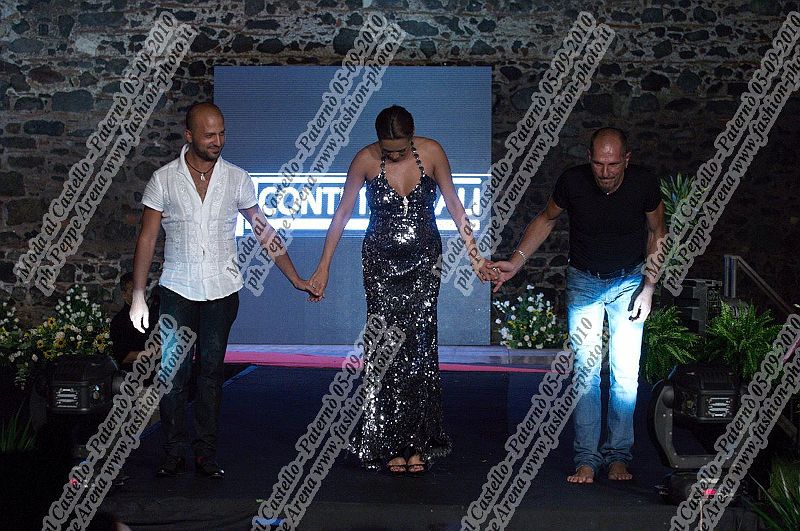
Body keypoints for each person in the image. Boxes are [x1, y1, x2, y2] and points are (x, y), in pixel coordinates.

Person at [130, 102, 319, 479]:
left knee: (211, 374)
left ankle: (205, 453)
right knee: (173, 374)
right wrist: (138, 293)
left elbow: (263, 231)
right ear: (189, 135)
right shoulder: (163, 179)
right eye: (209, 135)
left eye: (221, 134)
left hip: (221, 290)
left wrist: (295, 278)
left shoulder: (237, 178)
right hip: (177, 288)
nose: (217, 141)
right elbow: (147, 237)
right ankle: (173, 450)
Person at [308, 105, 487, 474]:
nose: (394, 156)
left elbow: (455, 205)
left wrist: (475, 257)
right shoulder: (364, 160)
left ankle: (419, 443)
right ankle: (387, 440)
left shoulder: (432, 153)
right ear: (378, 141)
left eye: (401, 150)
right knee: (384, 347)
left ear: (412, 137)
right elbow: (341, 213)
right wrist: (323, 266)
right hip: (380, 263)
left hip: (424, 262)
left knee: (420, 346)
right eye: (387, 151)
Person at [487, 127, 665, 484]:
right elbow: (546, 218)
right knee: (586, 373)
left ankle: (618, 457)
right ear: (589, 158)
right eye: (598, 164)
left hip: (629, 282)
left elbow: (657, 232)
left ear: (626, 160)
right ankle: (587, 459)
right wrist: (516, 262)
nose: (605, 173)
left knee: (625, 375)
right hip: (584, 281)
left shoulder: (644, 183)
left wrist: (649, 286)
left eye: (613, 165)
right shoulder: (573, 181)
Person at [110, 272, 158, 371]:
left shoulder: (151, 314)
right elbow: (124, 356)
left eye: (141, 290)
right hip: (135, 373)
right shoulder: (119, 321)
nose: (139, 295)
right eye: (133, 291)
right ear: (124, 295)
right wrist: (153, 353)